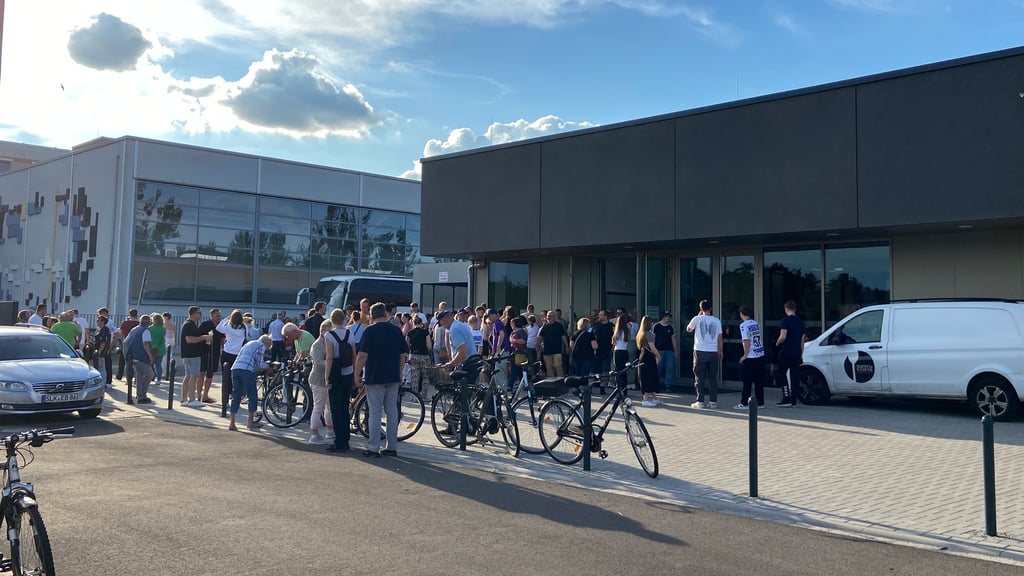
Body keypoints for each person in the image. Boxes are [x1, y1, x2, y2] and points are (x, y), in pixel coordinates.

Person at [354, 302, 410, 458]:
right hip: (393, 375)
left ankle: (373, 448)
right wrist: (400, 373)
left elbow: (362, 355)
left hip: (375, 375)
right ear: (386, 314)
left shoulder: (369, 331)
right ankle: (392, 447)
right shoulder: (396, 330)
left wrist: (357, 373)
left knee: (375, 412)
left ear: (371, 316)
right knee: (392, 412)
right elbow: (403, 354)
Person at [325, 308, 356, 453]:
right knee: (345, 406)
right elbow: (354, 355)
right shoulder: (350, 334)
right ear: (344, 319)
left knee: (335, 409)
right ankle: (346, 439)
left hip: (336, 374)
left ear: (331, 320)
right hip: (348, 372)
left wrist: (327, 377)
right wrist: (355, 374)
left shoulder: (329, 335)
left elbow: (329, 357)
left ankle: (339, 441)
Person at [228, 335, 273, 431]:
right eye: (268, 347)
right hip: (246, 370)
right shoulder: (261, 345)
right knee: (252, 395)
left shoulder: (249, 343)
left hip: (235, 368)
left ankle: (232, 422)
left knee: (236, 395)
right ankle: (250, 422)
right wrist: (269, 368)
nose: (266, 349)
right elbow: (260, 364)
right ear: (267, 343)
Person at [686, 300, 723, 409]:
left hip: (700, 350)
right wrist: (720, 351)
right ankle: (713, 401)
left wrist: (698, 316)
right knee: (712, 377)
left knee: (699, 377)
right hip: (713, 351)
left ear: (701, 309)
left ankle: (700, 401)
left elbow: (689, 329)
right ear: (710, 308)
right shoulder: (716, 320)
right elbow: (720, 337)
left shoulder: (697, 319)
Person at [307, 320, 335, 445]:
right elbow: (318, 362)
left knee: (328, 406)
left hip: (326, 379)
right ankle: (314, 434)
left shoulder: (327, 342)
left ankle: (330, 430)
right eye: (330, 331)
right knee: (318, 407)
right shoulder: (317, 345)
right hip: (318, 379)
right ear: (323, 331)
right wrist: (332, 362)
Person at [775, 300, 807, 407]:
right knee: (794, 376)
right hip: (797, 352)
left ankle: (786, 397)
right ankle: (793, 400)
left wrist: (777, 343)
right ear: (795, 309)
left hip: (786, 351)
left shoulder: (785, 321)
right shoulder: (801, 322)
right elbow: (802, 340)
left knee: (782, 373)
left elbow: (783, 336)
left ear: (786, 309)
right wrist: (801, 353)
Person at [735, 305, 766, 409]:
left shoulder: (744, 325)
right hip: (760, 353)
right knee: (759, 381)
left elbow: (746, 341)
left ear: (741, 314)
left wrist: (745, 355)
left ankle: (744, 402)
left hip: (751, 355)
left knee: (747, 381)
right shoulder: (756, 323)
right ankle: (760, 402)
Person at [217, 309, 248, 412]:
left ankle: (225, 401)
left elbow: (218, 328)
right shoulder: (243, 328)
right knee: (237, 378)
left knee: (226, 378)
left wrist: (226, 318)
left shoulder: (228, 328)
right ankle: (236, 399)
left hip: (227, 353)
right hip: (238, 354)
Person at [180, 306, 210, 408]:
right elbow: (189, 339)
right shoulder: (189, 325)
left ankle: (184, 399)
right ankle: (192, 399)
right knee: (194, 376)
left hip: (188, 354)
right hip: (192, 354)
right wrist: (203, 337)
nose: (200, 315)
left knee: (188, 375)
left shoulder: (189, 324)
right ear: (193, 313)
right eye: (199, 313)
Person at [124, 315, 156, 404]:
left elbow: (125, 342)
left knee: (139, 376)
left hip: (133, 357)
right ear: (149, 322)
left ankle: (140, 395)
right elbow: (146, 344)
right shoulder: (146, 331)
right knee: (150, 375)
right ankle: (142, 394)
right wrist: (150, 356)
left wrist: (130, 351)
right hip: (142, 357)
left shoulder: (134, 330)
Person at [636, 315, 663, 407]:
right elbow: (652, 347)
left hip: (642, 355)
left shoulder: (640, 334)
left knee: (647, 376)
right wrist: (658, 356)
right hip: (649, 357)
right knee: (650, 376)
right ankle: (645, 399)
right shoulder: (649, 334)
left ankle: (655, 398)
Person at [198, 309, 223, 404]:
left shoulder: (221, 325)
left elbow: (223, 338)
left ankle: (205, 395)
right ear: (211, 316)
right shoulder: (205, 324)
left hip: (215, 352)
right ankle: (198, 396)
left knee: (210, 374)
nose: (218, 318)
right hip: (204, 351)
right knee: (201, 373)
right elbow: (199, 336)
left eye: (219, 316)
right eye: (217, 316)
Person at [406, 315, 433, 396]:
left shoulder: (410, 332)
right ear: (421, 323)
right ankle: (424, 396)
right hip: (424, 355)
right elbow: (429, 346)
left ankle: (415, 396)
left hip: (413, 355)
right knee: (425, 376)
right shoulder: (425, 332)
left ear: (413, 323)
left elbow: (407, 345)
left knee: (415, 376)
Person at [537, 310, 568, 377]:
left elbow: (563, 336)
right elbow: (540, 337)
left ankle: (560, 380)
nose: (549, 317)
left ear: (554, 317)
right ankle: (551, 381)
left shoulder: (559, 326)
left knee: (558, 366)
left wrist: (567, 346)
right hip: (547, 351)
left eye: (551, 316)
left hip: (557, 351)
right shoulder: (544, 327)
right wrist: (538, 347)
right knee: (549, 368)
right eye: (548, 316)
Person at [653, 311, 678, 391]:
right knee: (658, 367)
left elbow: (673, 339)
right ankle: (656, 383)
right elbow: (653, 339)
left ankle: (668, 384)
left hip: (669, 350)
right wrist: (653, 350)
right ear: (663, 317)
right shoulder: (656, 326)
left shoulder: (671, 327)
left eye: (669, 317)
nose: (669, 318)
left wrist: (676, 351)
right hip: (658, 350)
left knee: (669, 368)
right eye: (667, 316)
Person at [116, 309, 140, 380]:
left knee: (126, 361)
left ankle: (127, 378)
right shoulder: (138, 323)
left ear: (129, 314)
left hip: (126, 342)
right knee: (136, 361)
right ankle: (136, 378)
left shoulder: (125, 323)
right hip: (136, 343)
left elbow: (120, 333)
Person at [612, 313, 632, 391]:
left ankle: (618, 388)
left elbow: (613, 342)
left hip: (617, 351)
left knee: (617, 370)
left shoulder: (617, 332)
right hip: (625, 351)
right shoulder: (627, 332)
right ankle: (624, 388)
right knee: (624, 370)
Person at [591, 310, 614, 375]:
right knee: (595, 371)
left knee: (605, 370)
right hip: (597, 351)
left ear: (605, 316)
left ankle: (604, 381)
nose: (599, 316)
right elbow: (592, 337)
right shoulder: (596, 326)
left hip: (607, 351)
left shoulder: (611, 326)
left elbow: (615, 338)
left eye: (601, 315)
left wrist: (612, 348)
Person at [93, 315, 111, 386]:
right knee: (100, 367)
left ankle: (103, 383)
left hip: (102, 352)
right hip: (99, 351)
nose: (96, 321)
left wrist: (99, 352)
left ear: (103, 321)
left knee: (101, 367)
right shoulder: (100, 329)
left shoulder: (104, 329)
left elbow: (103, 342)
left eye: (98, 320)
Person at [149, 313, 167, 384]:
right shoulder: (163, 329)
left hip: (151, 348)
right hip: (160, 348)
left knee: (150, 364)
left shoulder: (150, 328)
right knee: (158, 365)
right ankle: (159, 379)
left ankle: (152, 376)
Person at [162, 312, 176, 378]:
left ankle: (165, 372)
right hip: (170, 340)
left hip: (166, 340)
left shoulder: (163, 324)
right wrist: (174, 341)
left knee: (165, 356)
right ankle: (170, 370)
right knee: (170, 355)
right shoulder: (173, 324)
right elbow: (174, 334)